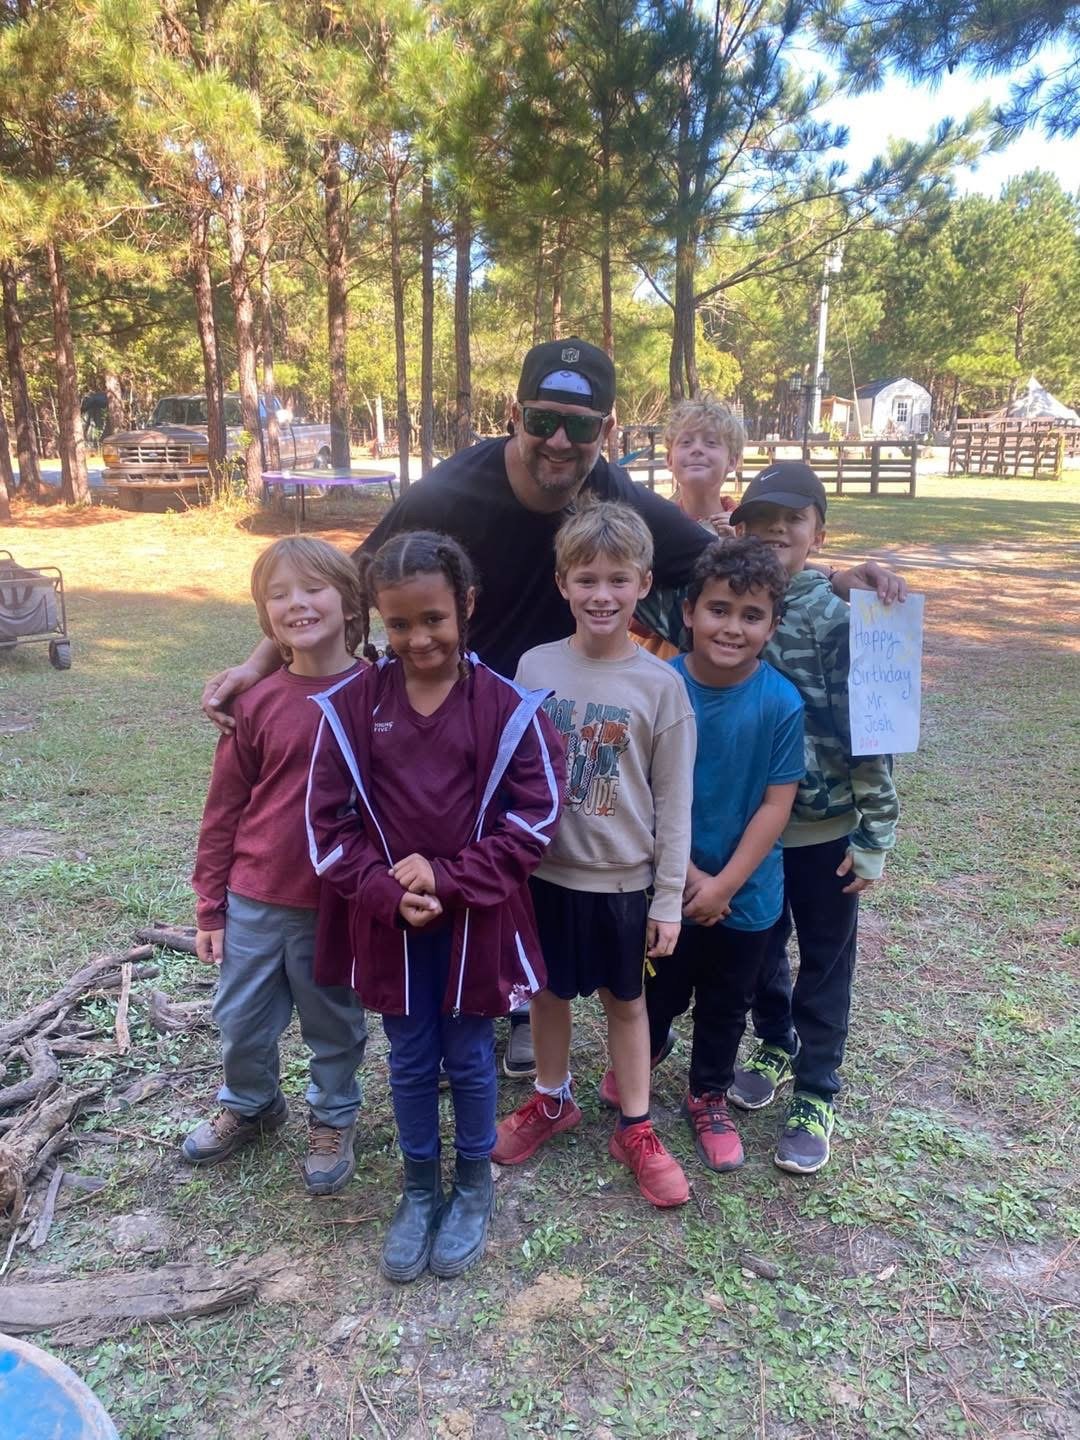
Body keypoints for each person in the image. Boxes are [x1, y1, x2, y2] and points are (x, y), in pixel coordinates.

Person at [200, 338, 904, 1078]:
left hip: (560, 715)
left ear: (606, 429)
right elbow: (346, 582)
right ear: (514, 415)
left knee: (539, 856)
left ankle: (522, 1005)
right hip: (457, 715)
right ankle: (468, 1002)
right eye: (543, 419)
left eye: (582, 425)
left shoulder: (615, 496)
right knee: (457, 859)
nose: (560, 441)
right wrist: (259, 661)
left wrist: (826, 575)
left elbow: (727, 565)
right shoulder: (455, 486)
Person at [304, 531, 564, 1281]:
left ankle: (473, 1187)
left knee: (471, 1055)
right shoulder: (351, 708)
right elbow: (328, 830)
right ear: (378, 620)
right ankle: (420, 1191)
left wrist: (449, 879)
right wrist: (387, 890)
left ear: (467, 606)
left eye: (434, 620)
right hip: (391, 925)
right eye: (399, 624)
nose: (418, 640)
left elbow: (535, 821)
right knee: (412, 1058)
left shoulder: (508, 708)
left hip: (473, 919)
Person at [492, 503, 696, 1208]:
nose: (601, 594)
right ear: (562, 583)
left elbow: (675, 802)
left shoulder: (662, 686)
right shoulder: (534, 666)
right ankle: (552, 1099)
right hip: (544, 875)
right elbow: (511, 773)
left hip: (621, 884)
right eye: (586, 579)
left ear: (642, 583)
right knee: (546, 992)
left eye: (617, 579)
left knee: (626, 1000)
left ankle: (635, 1127)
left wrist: (667, 897)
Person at [726, 462, 900, 1174]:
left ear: (818, 533)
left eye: (791, 524)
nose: (774, 537)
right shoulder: (727, 602)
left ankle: (817, 1091)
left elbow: (873, 728)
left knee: (825, 962)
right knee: (761, 949)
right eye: (759, 527)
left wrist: (874, 834)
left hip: (826, 830)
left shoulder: (841, 615)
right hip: (751, 830)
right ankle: (775, 1039)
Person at [185, 537, 369, 1195]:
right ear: (264, 616)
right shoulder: (255, 703)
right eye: (280, 593)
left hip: (337, 905)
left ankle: (334, 1116)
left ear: (348, 601)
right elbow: (224, 810)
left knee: (334, 1023)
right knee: (239, 1019)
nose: (298, 604)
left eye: (313, 588)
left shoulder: (382, 694)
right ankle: (251, 1102)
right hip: (257, 896)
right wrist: (211, 905)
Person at [644, 537, 805, 1173]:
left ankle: (708, 1092)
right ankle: (640, 1058)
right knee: (654, 995)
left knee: (726, 1005)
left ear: (772, 625)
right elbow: (644, 793)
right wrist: (687, 879)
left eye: (751, 615)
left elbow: (775, 805)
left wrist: (722, 886)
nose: (732, 627)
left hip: (748, 896)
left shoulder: (780, 702)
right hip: (665, 886)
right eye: (718, 609)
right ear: (688, 612)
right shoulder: (658, 687)